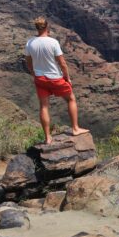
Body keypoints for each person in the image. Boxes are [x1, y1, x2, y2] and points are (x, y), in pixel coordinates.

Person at [25, 16, 89, 144]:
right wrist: (67, 77)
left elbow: (28, 62)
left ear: (37, 28)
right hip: (55, 77)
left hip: (40, 79)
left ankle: (48, 137)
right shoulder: (53, 42)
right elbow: (62, 63)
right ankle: (75, 128)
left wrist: (33, 73)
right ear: (47, 27)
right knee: (71, 98)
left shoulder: (30, 43)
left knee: (44, 106)